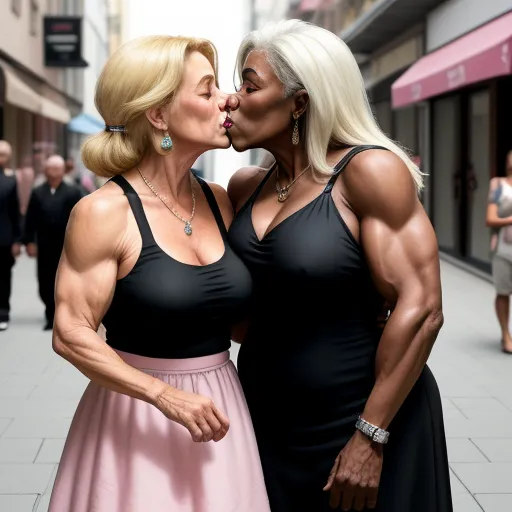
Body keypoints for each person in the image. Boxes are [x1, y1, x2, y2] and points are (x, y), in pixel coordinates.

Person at [226, 20, 451, 512]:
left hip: (362, 419)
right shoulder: (246, 187)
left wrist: (371, 436)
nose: (232, 99)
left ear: (300, 102)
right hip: (266, 418)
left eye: (249, 85)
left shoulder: (368, 171)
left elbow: (423, 307)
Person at [48, 35, 269, 512]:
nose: (226, 99)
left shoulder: (219, 199)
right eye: (207, 91)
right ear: (159, 115)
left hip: (221, 409)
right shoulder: (103, 212)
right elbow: (69, 333)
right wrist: (163, 395)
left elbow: (236, 318)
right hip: (135, 413)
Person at [23, 155, 84, 330]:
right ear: (45, 170)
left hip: (67, 242)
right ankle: (50, 312)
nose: (54, 172)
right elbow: (30, 218)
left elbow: (80, 218)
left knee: (66, 278)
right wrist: (29, 241)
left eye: (58, 168)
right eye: (51, 168)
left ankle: (64, 315)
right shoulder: (38, 192)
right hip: (44, 243)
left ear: (63, 170)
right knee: (45, 279)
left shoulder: (73, 191)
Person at [486, 149, 512, 354]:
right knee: (503, 291)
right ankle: (505, 334)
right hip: (504, 249)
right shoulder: (498, 185)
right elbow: (490, 218)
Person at [0, 140, 21, 331]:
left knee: (4, 277)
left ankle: (3, 312)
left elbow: (15, 212)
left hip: (4, 239)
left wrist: (17, 239)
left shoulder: (10, 180)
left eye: (3, 154)